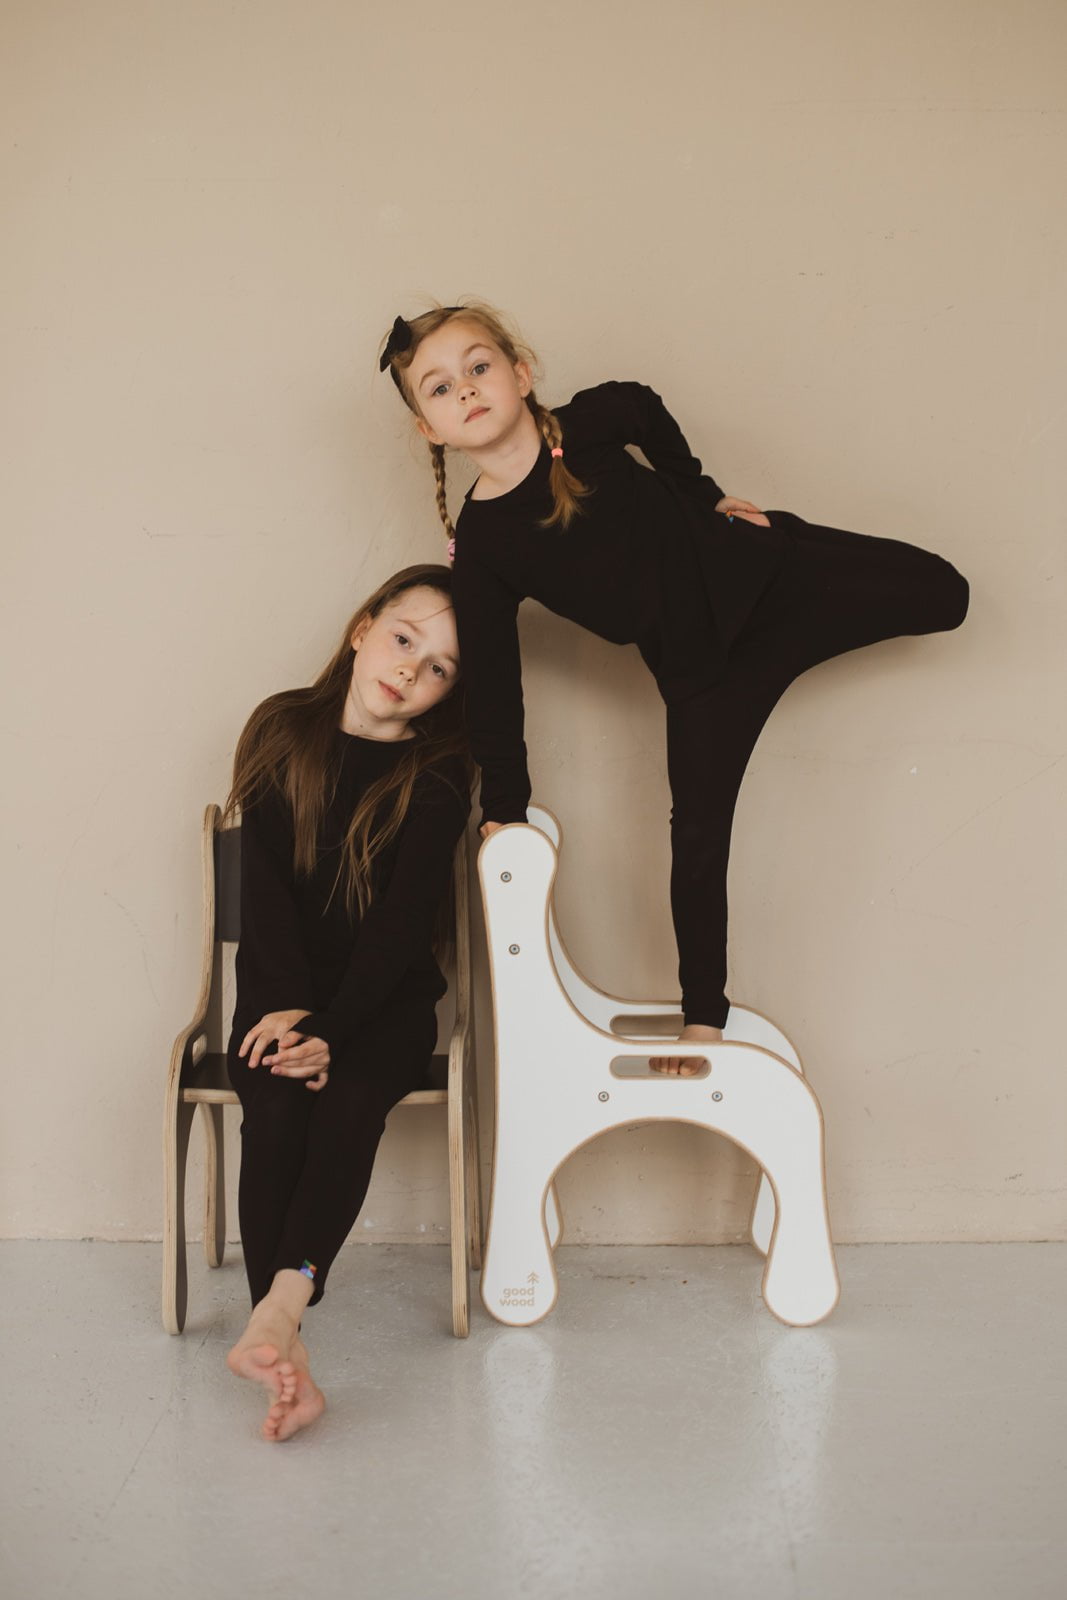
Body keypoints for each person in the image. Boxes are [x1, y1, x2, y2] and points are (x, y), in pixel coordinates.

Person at [378, 302, 968, 1073]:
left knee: (946, 595)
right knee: (694, 838)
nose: (466, 390)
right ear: (431, 429)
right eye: (439, 388)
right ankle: (703, 1020)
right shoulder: (485, 543)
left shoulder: (585, 425)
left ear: (520, 374)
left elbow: (643, 404)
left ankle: (780, 536)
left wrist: (704, 495)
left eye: (479, 367)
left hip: (771, 579)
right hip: (704, 676)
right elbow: (495, 683)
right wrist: (505, 812)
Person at [223, 564, 471, 1440]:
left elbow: (402, 931)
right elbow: (264, 894)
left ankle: (280, 1315)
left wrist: (332, 1031)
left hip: (383, 1009)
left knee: (351, 1103)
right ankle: (289, 1350)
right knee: (276, 1105)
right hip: (276, 1001)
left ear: (447, 693)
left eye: (438, 666)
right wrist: (290, 1014)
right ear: (364, 627)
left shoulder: (437, 771)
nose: (411, 669)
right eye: (405, 639)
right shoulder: (281, 728)